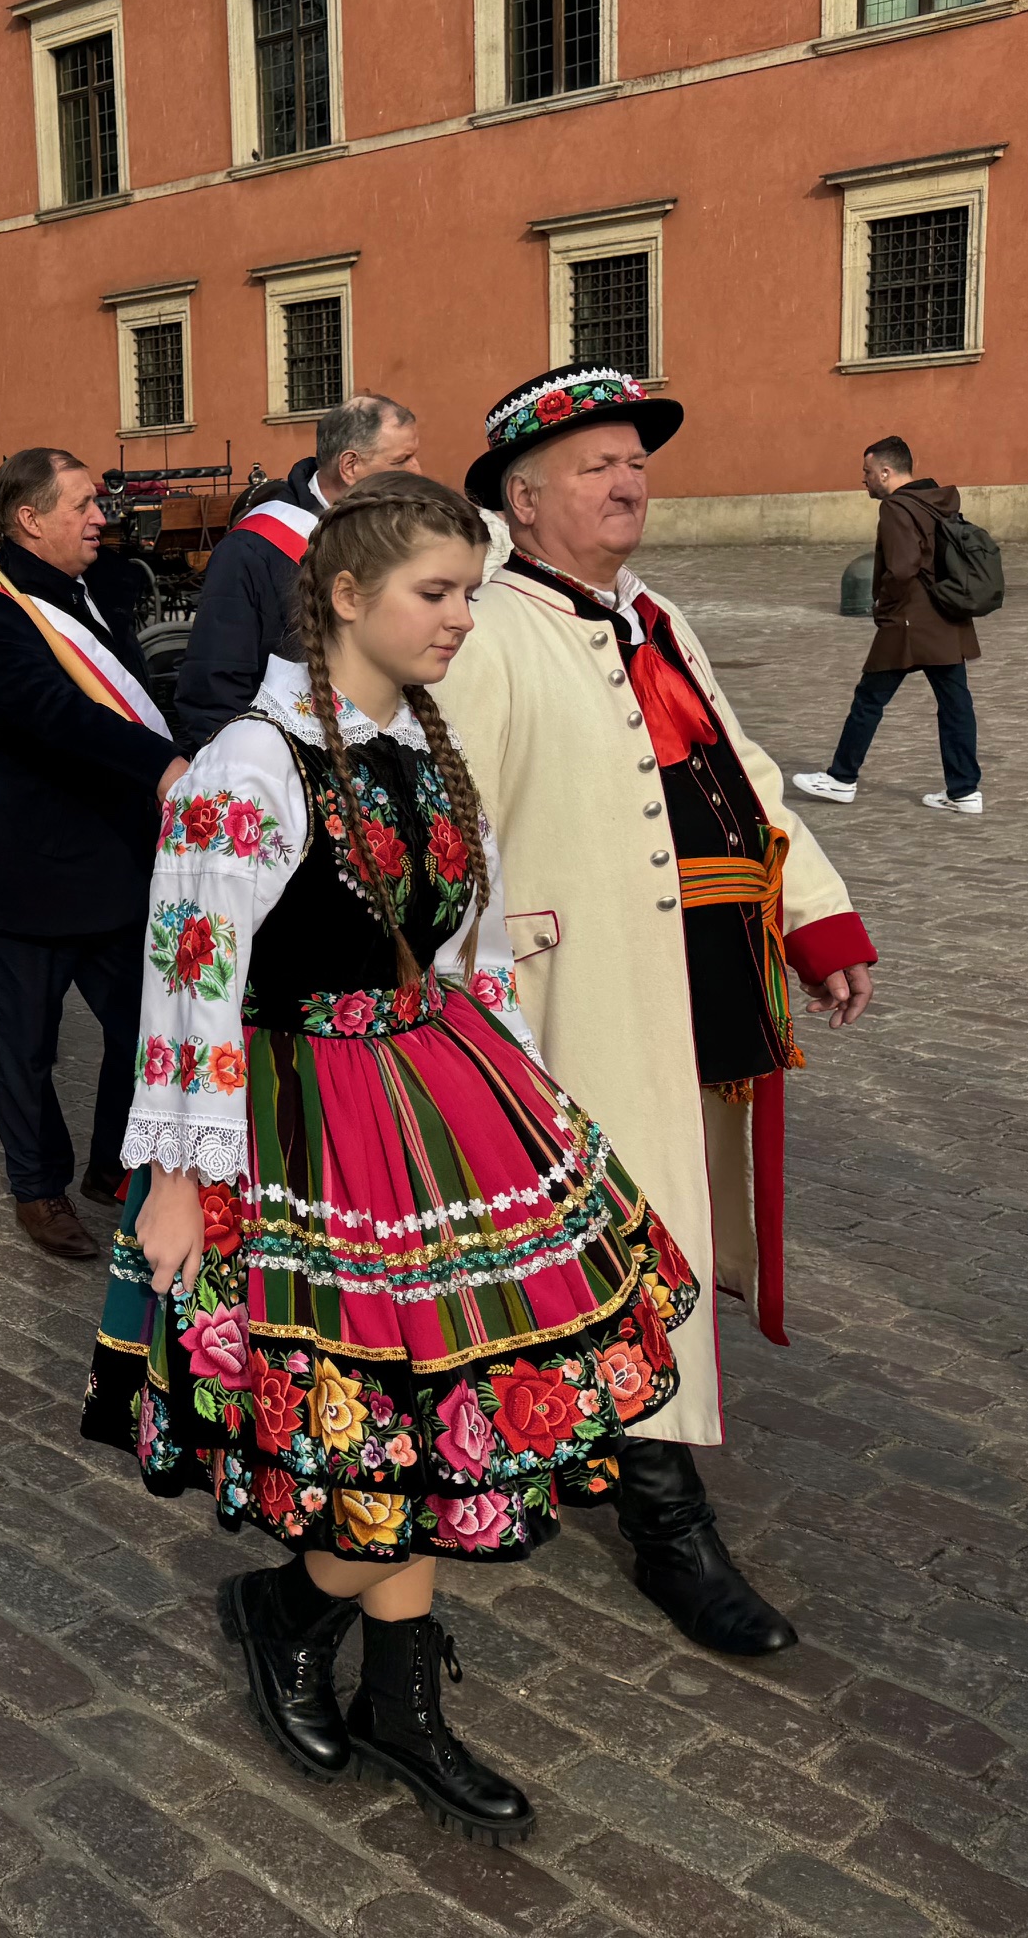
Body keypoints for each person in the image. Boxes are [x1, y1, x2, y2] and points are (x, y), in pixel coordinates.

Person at [91, 472, 706, 1845]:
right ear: (349, 596)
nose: (460, 620)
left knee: (445, 1413)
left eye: (470, 593)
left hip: (438, 1095)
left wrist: (520, 1085)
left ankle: (371, 1670)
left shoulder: (421, 745)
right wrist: (182, 1175)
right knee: (374, 1417)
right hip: (310, 1115)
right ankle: (326, 1634)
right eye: (436, 592)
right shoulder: (254, 761)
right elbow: (190, 973)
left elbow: (463, 938)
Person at [436, 365, 877, 1657]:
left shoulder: (655, 615)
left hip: (691, 989)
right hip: (569, 1004)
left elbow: (740, 775)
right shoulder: (494, 627)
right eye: (598, 465)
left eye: (637, 461)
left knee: (647, 1244)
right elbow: (451, 829)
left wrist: (816, 917)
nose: (630, 480)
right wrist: (483, 1000)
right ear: (524, 500)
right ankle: (668, 1528)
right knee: (630, 1253)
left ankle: (586, 1462)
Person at [0, 448, 187, 1260]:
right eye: (83, 504)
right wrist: (160, 764)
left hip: (111, 864)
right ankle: (37, 1189)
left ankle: (115, 1164)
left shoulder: (96, 590)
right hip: (28, 874)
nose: (101, 517)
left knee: (143, 1025)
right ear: (29, 519)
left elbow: (141, 702)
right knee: (26, 1047)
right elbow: (56, 715)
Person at [173, 393, 422, 750]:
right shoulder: (253, 549)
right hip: (292, 766)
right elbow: (215, 688)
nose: (418, 471)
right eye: (402, 459)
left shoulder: (399, 532)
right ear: (350, 466)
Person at [792, 436, 984, 816]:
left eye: (867, 472)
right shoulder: (936, 501)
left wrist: (885, 606)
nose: (863, 479)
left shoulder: (897, 508)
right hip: (946, 617)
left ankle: (842, 779)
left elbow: (902, 567)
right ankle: (964, 791)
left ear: (886, 471)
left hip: (909, 620)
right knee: (955, 704)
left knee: (869, 700)